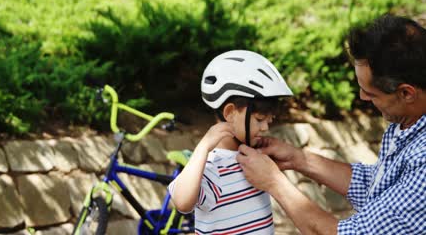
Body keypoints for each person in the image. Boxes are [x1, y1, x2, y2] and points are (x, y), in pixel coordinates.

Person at [236, 14, 426, 235]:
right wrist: (299, 159)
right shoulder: (406, 124)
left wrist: (274, 183)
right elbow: (376, 188)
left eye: (370, 93)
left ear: (406, 93)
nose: (362, 97)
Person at [168, 50, 293, 234]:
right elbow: (182, 202)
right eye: (259, 119)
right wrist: (203, 147)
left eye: (269, 120)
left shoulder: (256, 158)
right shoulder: (215, 166)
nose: (266, 127)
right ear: (230, 113)